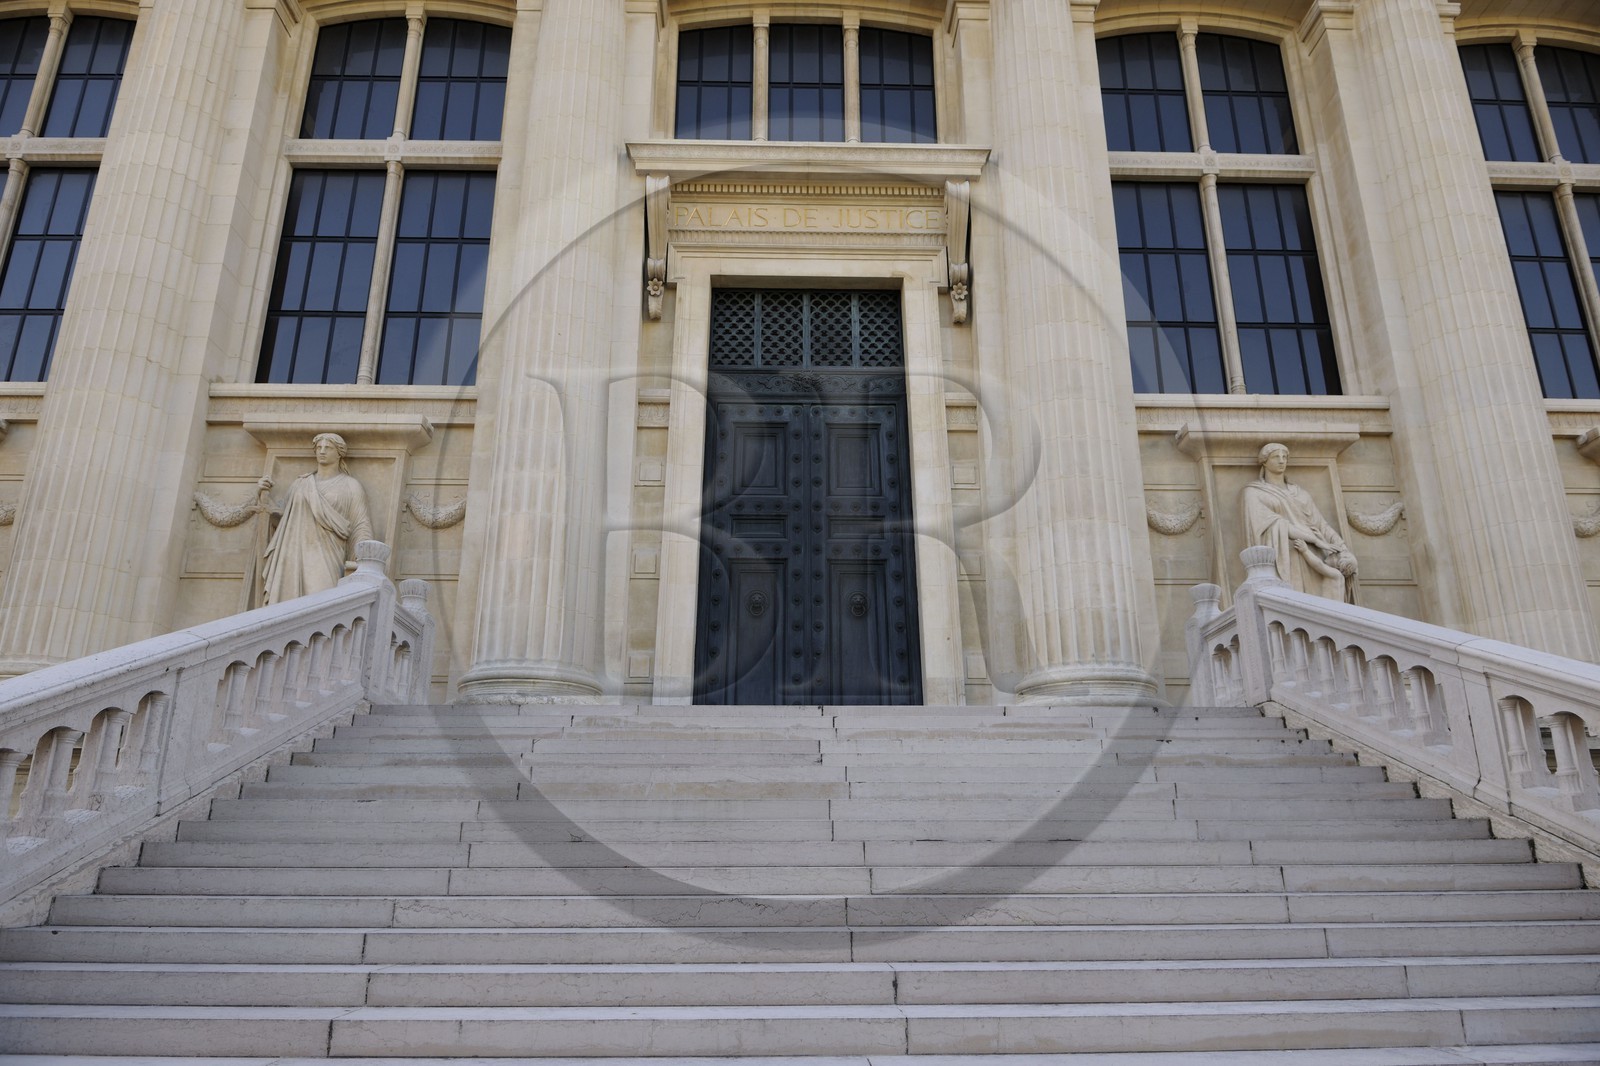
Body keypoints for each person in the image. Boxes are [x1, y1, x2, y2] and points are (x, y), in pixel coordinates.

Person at [259, 433, 373, 605]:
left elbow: (360, 525)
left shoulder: (351, 486)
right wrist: (263, 496)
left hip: (328, 555)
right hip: (294, 554)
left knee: (323, 602)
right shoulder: (301, 484)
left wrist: (361, 562)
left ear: (339, 452)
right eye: (319, 447)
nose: (322, 451)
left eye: (328, 448)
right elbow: (283, 520)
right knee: (289, 604)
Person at [1241, 442, 1357, 602]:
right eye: (1276, 457)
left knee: (1318, 604)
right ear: (1264, 461)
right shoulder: (1254, 493)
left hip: (1313, 555)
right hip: (1286, 553)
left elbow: (1322, 526)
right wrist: (1315, 540)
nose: (1282, 461)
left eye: (1284, 457)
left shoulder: (1301, 494)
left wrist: (1343, 550)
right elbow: (1275, 525)